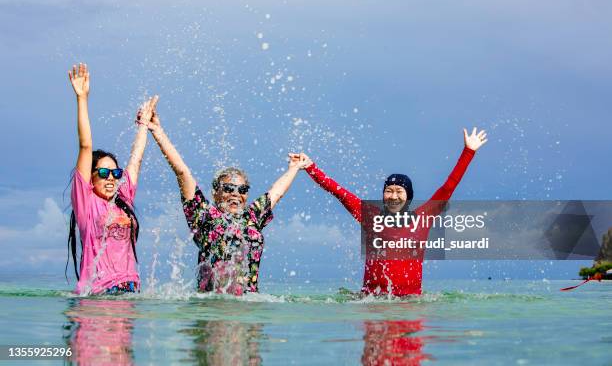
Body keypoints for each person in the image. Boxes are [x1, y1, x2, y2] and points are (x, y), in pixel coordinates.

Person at [140, 100, 306, 295]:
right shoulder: (204, 216)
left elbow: (276, 192)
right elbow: (183, 173)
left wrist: (294, 168)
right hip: (213, 313)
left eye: (242, 190)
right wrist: (157, 131)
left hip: (249, 312)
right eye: (228, 188)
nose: (236, 194)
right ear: (215, 192)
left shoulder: (251, 218)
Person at [296, 128, 488, 296]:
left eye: (399, 191)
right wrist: (311, 167)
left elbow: (448, 188)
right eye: (388, 190)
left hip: (409, 303)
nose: (393, 196)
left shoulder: (423, 217)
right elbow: (340, 193)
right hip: (372, 301)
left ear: (409, 197)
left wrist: (468, 151)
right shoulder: (371, 216)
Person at [67, 63, 157, 295]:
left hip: (129, 290)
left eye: (115, 174)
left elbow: (135, 161)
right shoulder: (86, 203)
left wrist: (144, 125)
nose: (111, 179)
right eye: (104, 173)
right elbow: (86, 146)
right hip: (99, 293)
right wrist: (82, 99)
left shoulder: (122, 199)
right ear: (91, 178)